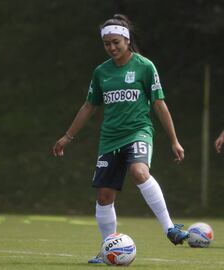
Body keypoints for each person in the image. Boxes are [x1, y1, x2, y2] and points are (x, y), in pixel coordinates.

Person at [52, 14, 189, 263]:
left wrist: (174, 140)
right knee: (104, 196)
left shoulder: (145, 67)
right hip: (109, 139)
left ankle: (170, 228)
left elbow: (159, 104)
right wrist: (67, 137)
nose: (112, 48)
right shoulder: (101, 72)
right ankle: (107, 249)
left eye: (116, 42)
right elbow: (88, 107)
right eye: (107, 44)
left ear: (126, 39)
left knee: (139, 171)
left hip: (138, 132)